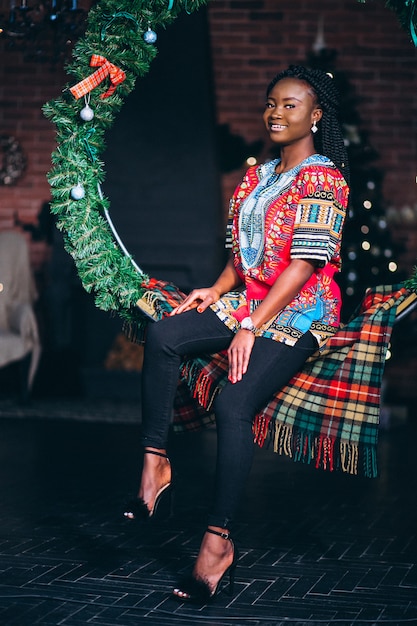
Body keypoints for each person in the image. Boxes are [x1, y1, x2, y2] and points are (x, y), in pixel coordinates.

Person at [124, 65, 350, 603]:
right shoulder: (258, 175)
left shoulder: (325, 178)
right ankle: (156, 461)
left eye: (291, 104)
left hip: (301, 309)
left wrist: (251, 325)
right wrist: (215, 287)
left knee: (233, 405)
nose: (276, 112)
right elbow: (241, 256)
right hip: (248, 299)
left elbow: (302, 266)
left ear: (316, 116)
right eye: (271, 102)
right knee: (164, 335)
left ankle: (218, 541)